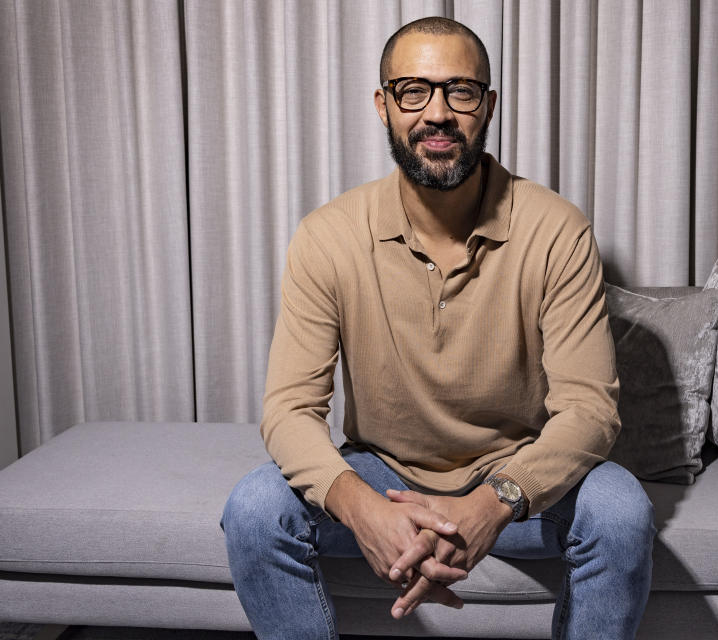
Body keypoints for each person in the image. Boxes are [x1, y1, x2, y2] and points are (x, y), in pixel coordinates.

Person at [221, 16, 655, 640]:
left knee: (621, 512)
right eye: (413, 91)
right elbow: (290, 408)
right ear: (383, 106)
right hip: (383, 473)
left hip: (518, 477)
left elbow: (590, 409)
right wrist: (363, 510)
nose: (438, 113)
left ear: (489, 105)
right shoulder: (329, 235)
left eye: (462, 91)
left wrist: (491, 505)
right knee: (255, 510)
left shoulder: (558, 229)